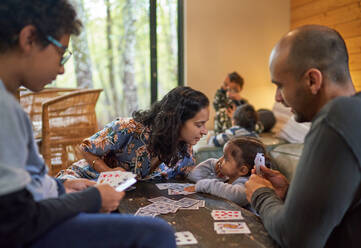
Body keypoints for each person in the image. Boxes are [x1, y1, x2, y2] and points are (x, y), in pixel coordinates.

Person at [0, 1, 176, 247]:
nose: (62, 69)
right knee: (156, 233)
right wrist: (91, 199)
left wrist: (62, 186)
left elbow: (26, 183)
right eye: (61, 54)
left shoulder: (9, 103)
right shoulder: (4, 109)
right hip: (24, 229)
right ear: (29, 38)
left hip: (33, 211)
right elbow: (14, 220)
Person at [245, 25, 361, 248]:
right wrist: (289, 194)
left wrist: (260, 195)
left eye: (280, 86)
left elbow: (296, 238)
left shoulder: (336, 117)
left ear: (312, 80)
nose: (277, 98)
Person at [57, 86, 209, 181]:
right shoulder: (128, 128)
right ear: (177, 120)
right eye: (199, 124)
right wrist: (109, 172)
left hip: (128, 200)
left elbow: (186, 173)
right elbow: (85, 148)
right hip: (86, 181)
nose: (205, 131)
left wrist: (215, 169)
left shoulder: (184, 147)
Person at [187, 137, 270, 207]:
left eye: (226, 159)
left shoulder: (248, 185)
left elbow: (235, 195)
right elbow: (193, 176)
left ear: (242, 170)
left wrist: (205, 185)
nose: (220, 160)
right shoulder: (226, 178)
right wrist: (212, 163)